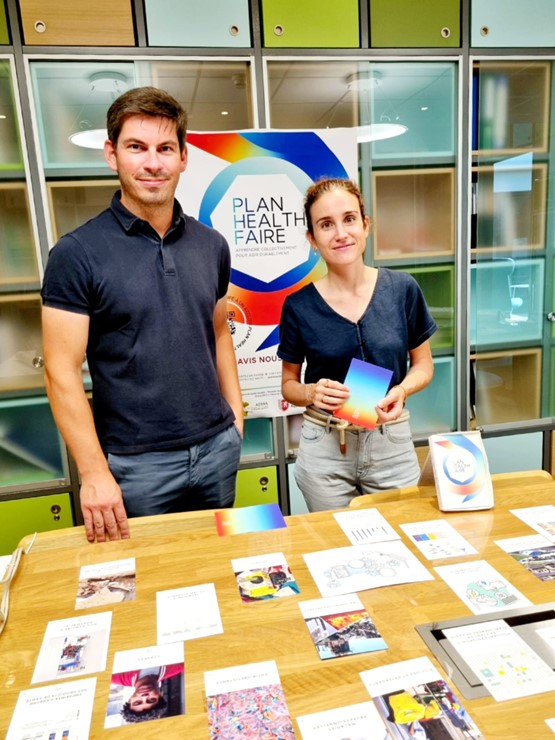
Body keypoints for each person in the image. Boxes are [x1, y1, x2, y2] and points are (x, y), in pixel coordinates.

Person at [41, 86, 243, 543]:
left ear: (183, 157)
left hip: (216, 451)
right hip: (135, 467)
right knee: (145, 594)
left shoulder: (211, 245)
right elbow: (60, 370)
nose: (153, 163)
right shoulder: (77, 254)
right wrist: (93, 473)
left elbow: (219, 332)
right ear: (113, 155)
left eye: (165, 148)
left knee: (219, 570)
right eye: (137, 147)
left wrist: (235, 418)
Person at [277, 177, 436, 511]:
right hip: (325, 449)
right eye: (325, 224)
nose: (340, 233)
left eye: (349, 219)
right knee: (336, 552)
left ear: (366, 225)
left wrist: (402, 390)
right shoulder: (298, 305)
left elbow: (423, 365)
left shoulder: (402, 290)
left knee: (404, 543)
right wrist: (311, 392)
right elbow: (289, 385)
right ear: (312, 240)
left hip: (390, 441)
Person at [111, 663, 183, 723]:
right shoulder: (179, 666)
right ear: (160, 695)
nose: (144, 696)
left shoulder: (114, 676)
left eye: (137, 702)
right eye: (151, 700)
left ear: (130, 699)